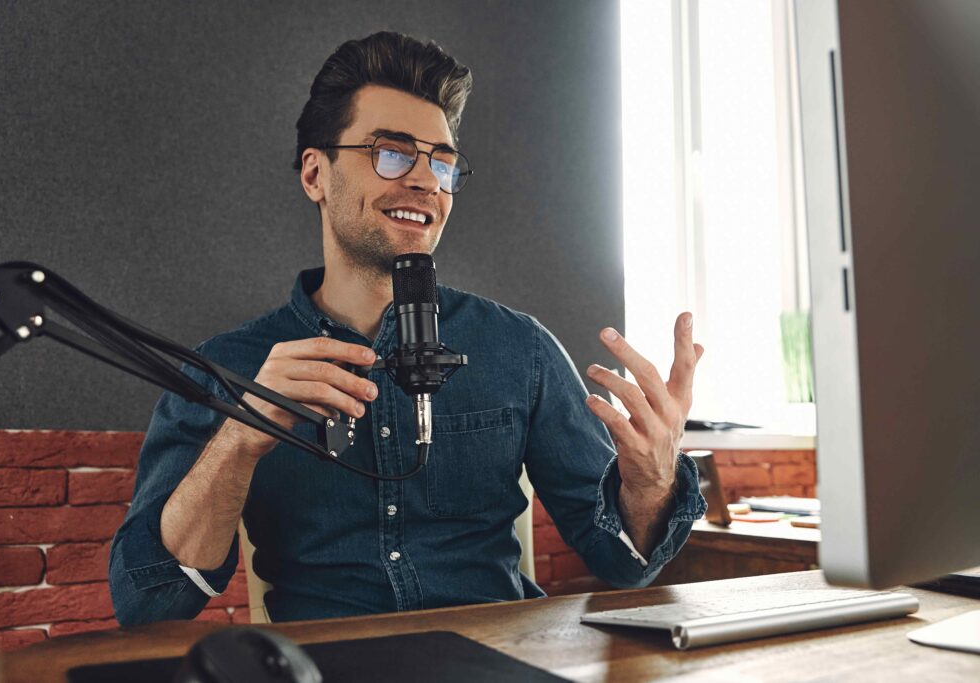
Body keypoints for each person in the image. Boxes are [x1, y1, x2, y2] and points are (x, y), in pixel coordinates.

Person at [109, 31, 707, 625]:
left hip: (496, 661)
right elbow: (150, 602)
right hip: (330, 663)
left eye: (441, 162)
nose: (425, 181)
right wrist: (240, 439)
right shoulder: (226, 368)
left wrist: (651, 484)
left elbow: (625, 563)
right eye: (391, 153)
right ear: (316, 175)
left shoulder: (519, 350)